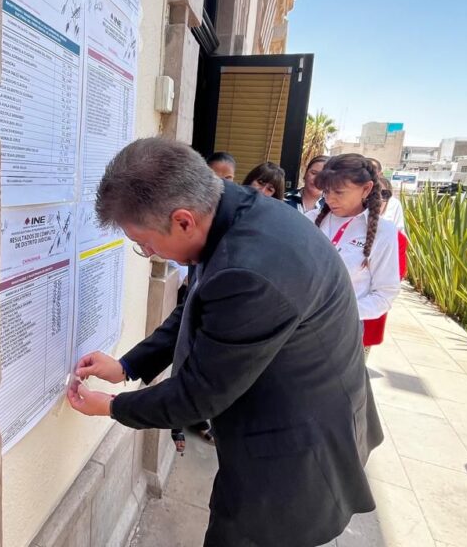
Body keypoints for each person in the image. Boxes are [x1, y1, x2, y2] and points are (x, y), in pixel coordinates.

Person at [66, 138, 382, 547]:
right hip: (292, 417)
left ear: (183, 221)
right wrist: (127, 366)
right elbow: (197, 307)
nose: (149, 253)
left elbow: (198, 395)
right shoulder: (230, 213)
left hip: (295, 456)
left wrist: (113, 407)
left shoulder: (248, 268)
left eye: (144, 243)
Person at [307, 155, 401, 358]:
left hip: (342, 334)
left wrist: (338, 311)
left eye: (339, 192)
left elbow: (384, 293)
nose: (330, 199)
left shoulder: (383, 233)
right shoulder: (310, 220)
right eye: (326, 191)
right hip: (301, 327)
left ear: (366, 189)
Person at [367, 158, 406, 233]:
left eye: (372, 171)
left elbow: (399, 231)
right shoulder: (356, 199)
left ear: (380, 174)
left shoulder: (393, 203)